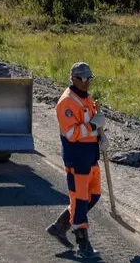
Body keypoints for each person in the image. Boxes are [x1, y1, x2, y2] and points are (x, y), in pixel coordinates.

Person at [46, 61, 108, 257]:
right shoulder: (66, 103)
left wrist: (101, 135)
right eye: (82, 78)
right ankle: (83, 244)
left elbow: (94, 120)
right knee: (80, 200)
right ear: (72, 79)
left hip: (90, 156)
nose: (86, 82)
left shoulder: (86, 98)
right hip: (77, 158)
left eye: (89, 78)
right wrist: (92, 126)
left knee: (93, 196)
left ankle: (60, 225)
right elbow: (72, 134)